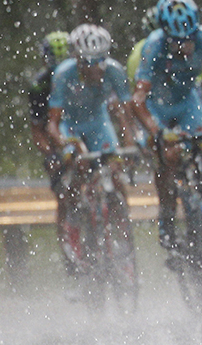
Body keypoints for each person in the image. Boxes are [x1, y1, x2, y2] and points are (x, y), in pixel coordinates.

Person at [132, 0, 202, 253]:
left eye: (189, 40)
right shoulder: (153, 45)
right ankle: (167, 217)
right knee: (168, 157)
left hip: (187, 102)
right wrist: (155, 130)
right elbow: (137, 100)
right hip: (157, 106)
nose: (184, 47)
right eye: (177, 42)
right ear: (166, 35)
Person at [47, 24, 136, 285]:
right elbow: (53, 122)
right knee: (78, 174)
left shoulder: (115, 71)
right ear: (76, 58)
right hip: (70, 126)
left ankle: (121, 231)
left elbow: (125, 113)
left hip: (98, 124)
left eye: (101, 61)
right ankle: (74, 232)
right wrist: (65, 143)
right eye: (89, 62)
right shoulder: (64, 74)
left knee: (115, 174)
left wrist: (130, 146)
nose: (96, 68)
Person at [29, 30, 72, 265]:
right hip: (54, 143)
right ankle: (68, 255)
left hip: (80, 135)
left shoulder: (80, 75)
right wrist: (49, 153)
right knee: (64, 197)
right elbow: (38, 130)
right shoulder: (40, 85)